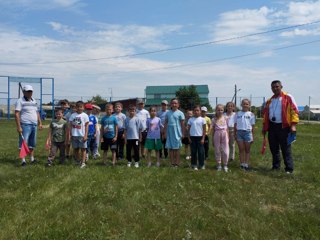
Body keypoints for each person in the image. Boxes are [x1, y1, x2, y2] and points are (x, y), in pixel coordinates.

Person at [262, 80, 299, 174]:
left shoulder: (288, 97)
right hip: (272, 127)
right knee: (273, 148)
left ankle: (289, 169)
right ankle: (276, 167)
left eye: (277, 86)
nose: (275, 88)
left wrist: (293, 125)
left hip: (284, 126)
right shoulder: (269, 100)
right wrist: (264, 127)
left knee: (285, 148)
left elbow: (294, 111)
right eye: (273, 87)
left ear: (281, 87)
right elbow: (266, 114)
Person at [15, 84, 43, 166]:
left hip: (34, 125)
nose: (30, 93)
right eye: (28, 91)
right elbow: (17, 114)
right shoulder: (20, 101)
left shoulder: (34, 100)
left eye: (31, 91)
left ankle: (32, 159)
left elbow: (36, 112)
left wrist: (40, 123)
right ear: (24, 92)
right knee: (23, 142)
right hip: (25, 125)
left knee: (32, 143)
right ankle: (23, 161)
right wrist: (19, 126)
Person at [234, 99, 255, 171]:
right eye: (244, 104)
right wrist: (235, 134)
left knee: (247, 149)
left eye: (247, 104)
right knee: (241, 149)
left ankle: (246, 164)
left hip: (248, 133)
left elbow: (253, 126)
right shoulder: (237, 113)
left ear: (249, 105)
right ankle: (242, 163)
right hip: (239, 133)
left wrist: (252, 136)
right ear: (241, 104)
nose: (245, 105)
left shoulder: (251, 114)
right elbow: (235, 124)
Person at [164, 98, 185, 167]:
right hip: (170, 133)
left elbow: (182, 125)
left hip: (177, 133)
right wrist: (165, 133)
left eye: (176, 103)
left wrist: (183, 133)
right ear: (170, 104)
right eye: (173, 103)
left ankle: (177, 163)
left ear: (178, 105)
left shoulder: (180, 113)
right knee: (171, 148)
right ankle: (172, 163)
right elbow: (166, 123)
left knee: (177, 149)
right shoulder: (168, 113)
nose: (174, 104)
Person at [69, 101, 89, 168]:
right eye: (78, 107)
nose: (79, 108)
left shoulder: (85, 115)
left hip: (82, 135)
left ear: (83, 108)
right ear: (76, 107)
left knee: (83, 149)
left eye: (81, 107)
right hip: (74, 135)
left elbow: (86, 126)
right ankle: (78, 161)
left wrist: (86, 135)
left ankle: (83, 162)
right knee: (76, 149)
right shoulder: (73, 115)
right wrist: (70, 134)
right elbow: (70, 125)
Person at [212, 104, 229, 172]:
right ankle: (218, 164)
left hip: (224, 134)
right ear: (216, 110)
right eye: (218, 110)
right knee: (217, 150)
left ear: (223, 110)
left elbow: (227, 128)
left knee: (226, 151)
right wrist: (213, 139)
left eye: (221, 110)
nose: (220, 111)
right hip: (217, 134)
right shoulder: (214, 119)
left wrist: (228, 136)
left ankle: (225, 164)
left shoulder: (226, 118)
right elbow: (213, 129)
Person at [188, 105, 206, 170]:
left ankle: (201, 164)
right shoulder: (190, 119)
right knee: (193, 152)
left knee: (201, 152)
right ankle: (194, 164)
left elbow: (204, 130)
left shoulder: (203, 119)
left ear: (200, 111)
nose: (196, 112)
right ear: (193, 111)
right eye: (195, 110)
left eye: (197, 110)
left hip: (200, 138)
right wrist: (189, 138)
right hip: (192, 138)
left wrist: (203, 138)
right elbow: (188, 129)